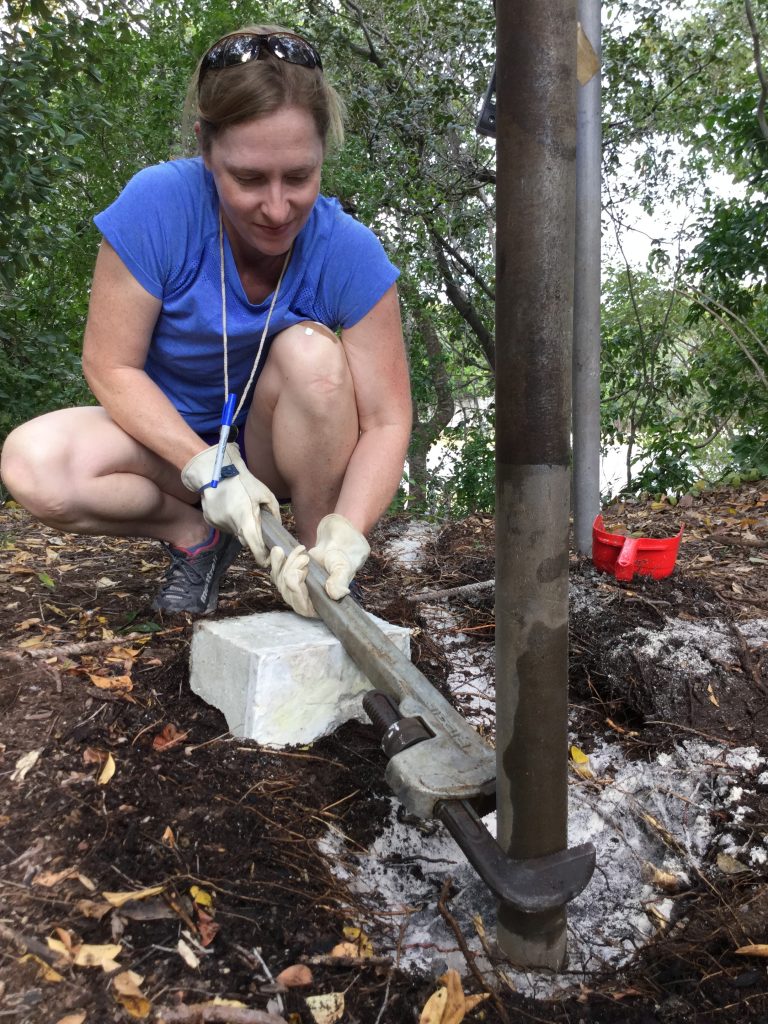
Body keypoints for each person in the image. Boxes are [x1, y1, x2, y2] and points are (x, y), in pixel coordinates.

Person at [0, 26, 412, 617]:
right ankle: (198, 538)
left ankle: (318, 560)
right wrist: (208, 470)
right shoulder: (158, 206)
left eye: (299, 176)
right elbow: (110, 365)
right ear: (205, 147)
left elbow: (387, 418)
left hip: (272, 448)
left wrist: (351, 526)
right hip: (169, 446)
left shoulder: (349, 252)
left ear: (324, 151)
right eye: (247, 178)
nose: (276, 208)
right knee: (34, 464)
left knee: (314, 355)